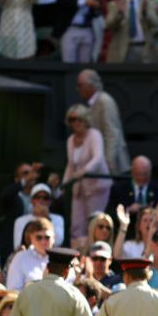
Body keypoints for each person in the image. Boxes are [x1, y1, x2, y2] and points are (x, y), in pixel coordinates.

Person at [62, 104, 111, 248]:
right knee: (76, 225)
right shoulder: (71, 140)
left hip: (97, 187)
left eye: (79, 119)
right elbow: (71, 165)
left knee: (94, 221)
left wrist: (83, 171)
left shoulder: (94, 135)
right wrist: (65, 184)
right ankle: (76, 256)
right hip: (79, 187)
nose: (76, 123)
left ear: (86, 120)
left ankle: (96, 254)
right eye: (72, 120)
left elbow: (98, 158)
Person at [77, 69, 131, 178]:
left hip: (112, 166)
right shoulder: (95, 102)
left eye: (80, 85)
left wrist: (108, 162)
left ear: (90, 86)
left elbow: (111, 133)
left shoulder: (105, 102)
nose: (77, 89)